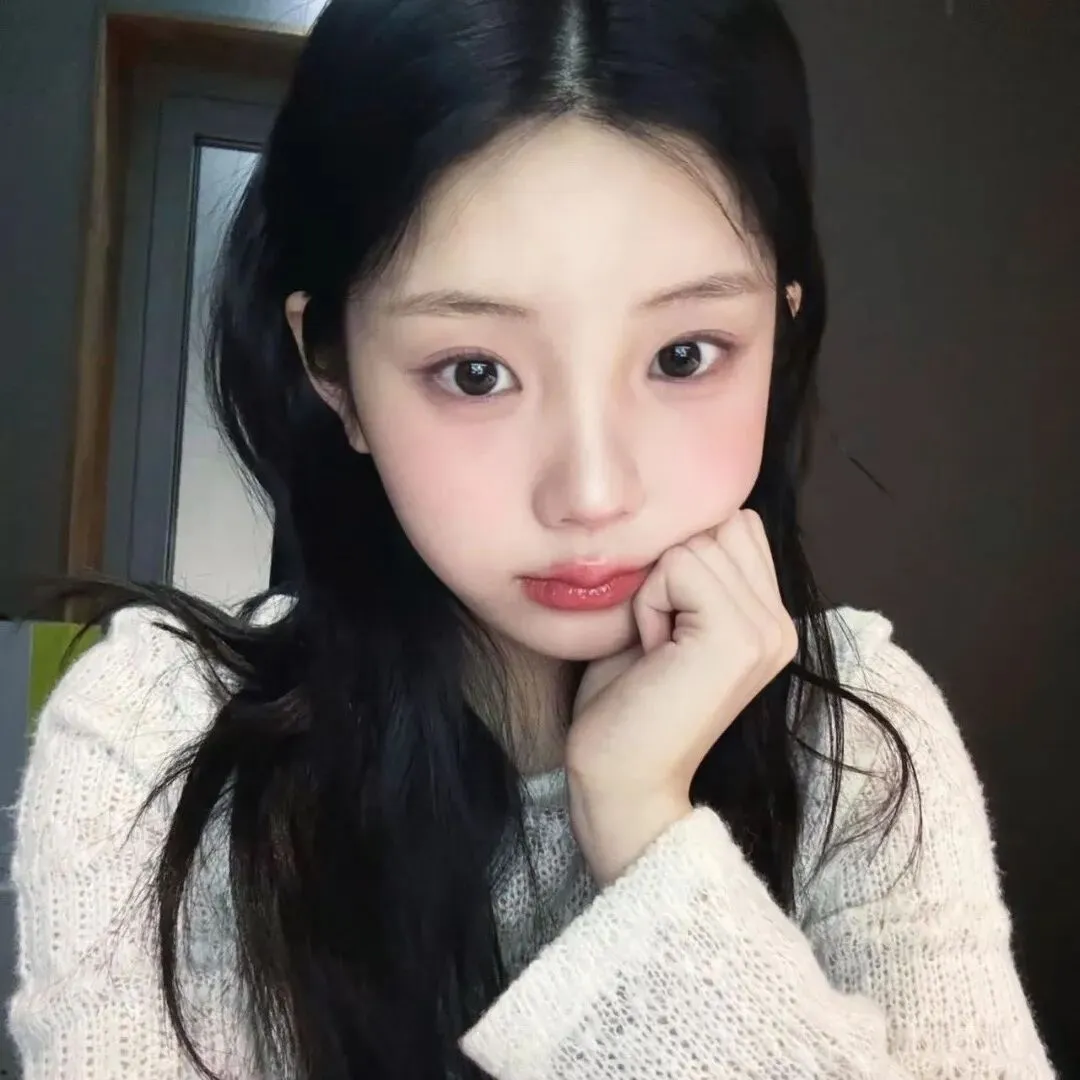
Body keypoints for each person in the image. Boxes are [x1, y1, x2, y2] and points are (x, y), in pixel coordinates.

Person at [8, 0, 1056, 1076]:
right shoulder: (159, 744)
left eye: (685, 355)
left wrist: (646, 834)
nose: (592, 494)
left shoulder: (853, 740)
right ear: (335, 371)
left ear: (777, 336)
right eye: (475, 373)